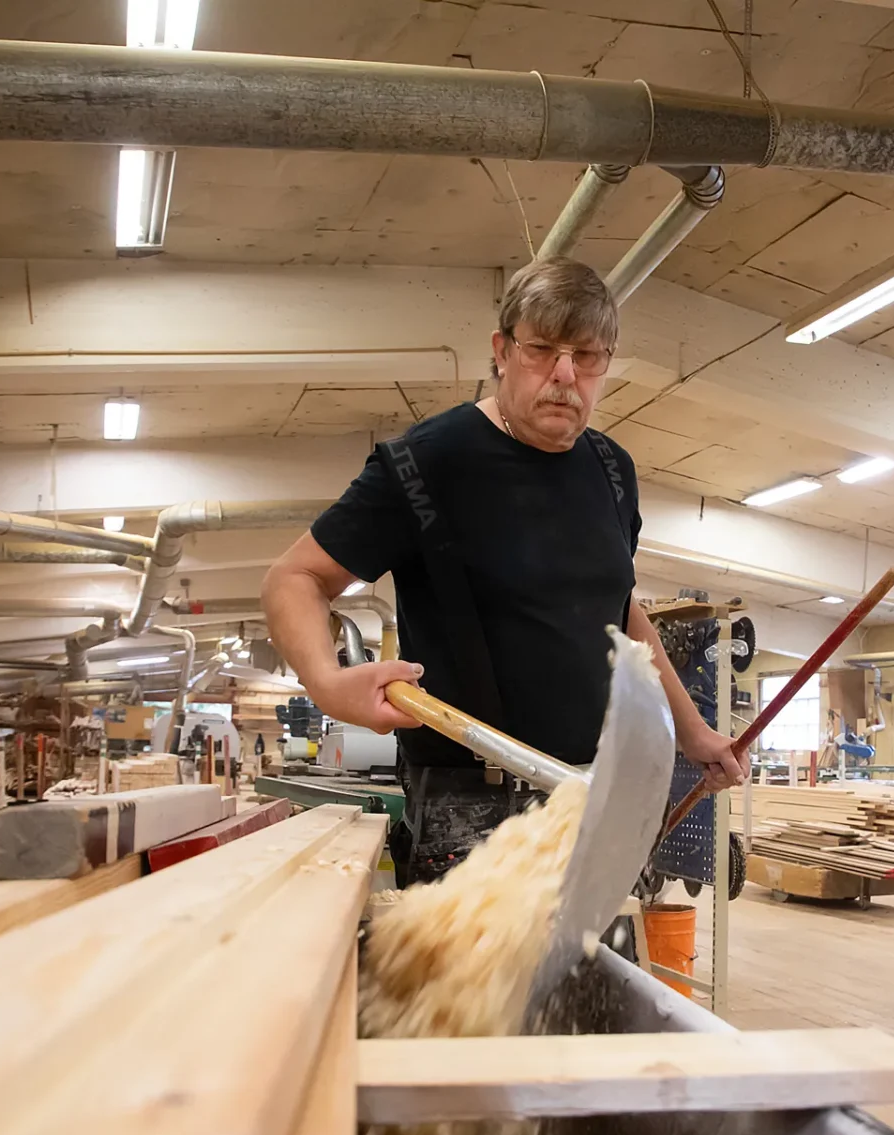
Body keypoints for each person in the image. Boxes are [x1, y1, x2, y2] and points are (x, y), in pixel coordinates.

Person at [262, 256, 743, 885]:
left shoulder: (612, 470)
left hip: (590, 796)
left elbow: (621, 612)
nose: (565, 375)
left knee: (597, 952)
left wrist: (694, 731)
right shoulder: (426, 464)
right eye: (542, 350)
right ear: (502, 351)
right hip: (469, 805)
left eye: (587, 356)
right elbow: (293, 579)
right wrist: (328, 683)